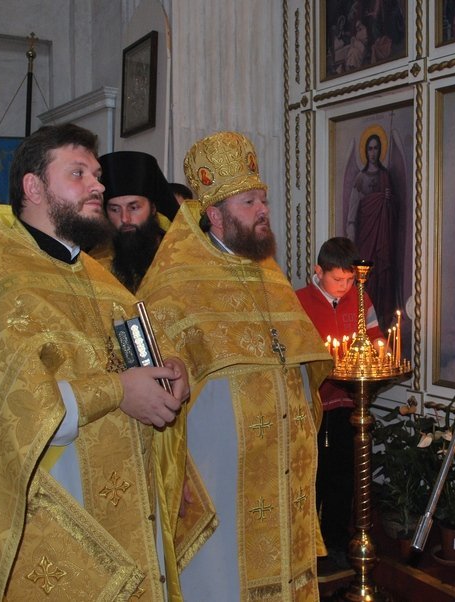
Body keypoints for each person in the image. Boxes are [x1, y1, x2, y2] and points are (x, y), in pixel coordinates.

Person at [0, 123, 190, 601]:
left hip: (127, 506)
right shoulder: (2, 283)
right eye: (78, 174)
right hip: (57, 521)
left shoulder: (96, 276)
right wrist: (120, 391)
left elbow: (132, 351)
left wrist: (168, 368)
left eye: (96, 176)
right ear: (34, 187)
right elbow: (15, 414)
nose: (98, 187)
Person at [137, 131, 332, 601]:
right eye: (249, 203)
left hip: (282, 477)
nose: (263, 210)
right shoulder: (173, 283)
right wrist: (172, 472)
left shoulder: (269, 273)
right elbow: (151, 391)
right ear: (215, 215)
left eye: (262, 200)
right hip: (219, 482)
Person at [295, 236, 383, 573]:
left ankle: (335, 541)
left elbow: (375, 339)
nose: (345, 286)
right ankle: (308, 547)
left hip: (349, 403)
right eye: (337, 279)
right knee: (313, 475)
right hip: (313, 404)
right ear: (318, 271)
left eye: (350, 279)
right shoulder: (299, 301)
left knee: (344, 476)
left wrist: (377, 353)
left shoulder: (361, 298)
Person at [94, 150, 179, 292]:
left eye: (133, 207)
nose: (124, 218)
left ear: (153, 208)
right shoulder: (96, 264)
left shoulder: (179, 254)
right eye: (114, 209)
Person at [346, 131, 401, 331]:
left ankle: (382, 323)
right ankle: (364, 324)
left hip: (383, 239)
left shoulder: (385, 176)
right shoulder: (360, 179)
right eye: (369, 148)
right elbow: (353, 211)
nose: (372, 152)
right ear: (365, 151)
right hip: (366, 238)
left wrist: (389, 200)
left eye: (376, 148)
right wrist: (351, 240)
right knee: (366, 280)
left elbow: (395, 211)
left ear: (380, 150)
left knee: (382, 277)